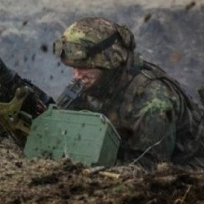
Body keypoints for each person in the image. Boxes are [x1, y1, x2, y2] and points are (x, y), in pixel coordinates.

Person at [53, 17, 204, 169]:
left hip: (184, 171)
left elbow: (149, 171)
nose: (77, 75)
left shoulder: (153, 101)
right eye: (74, 67)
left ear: (109, 63)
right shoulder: (94, 83)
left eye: (84, 67)